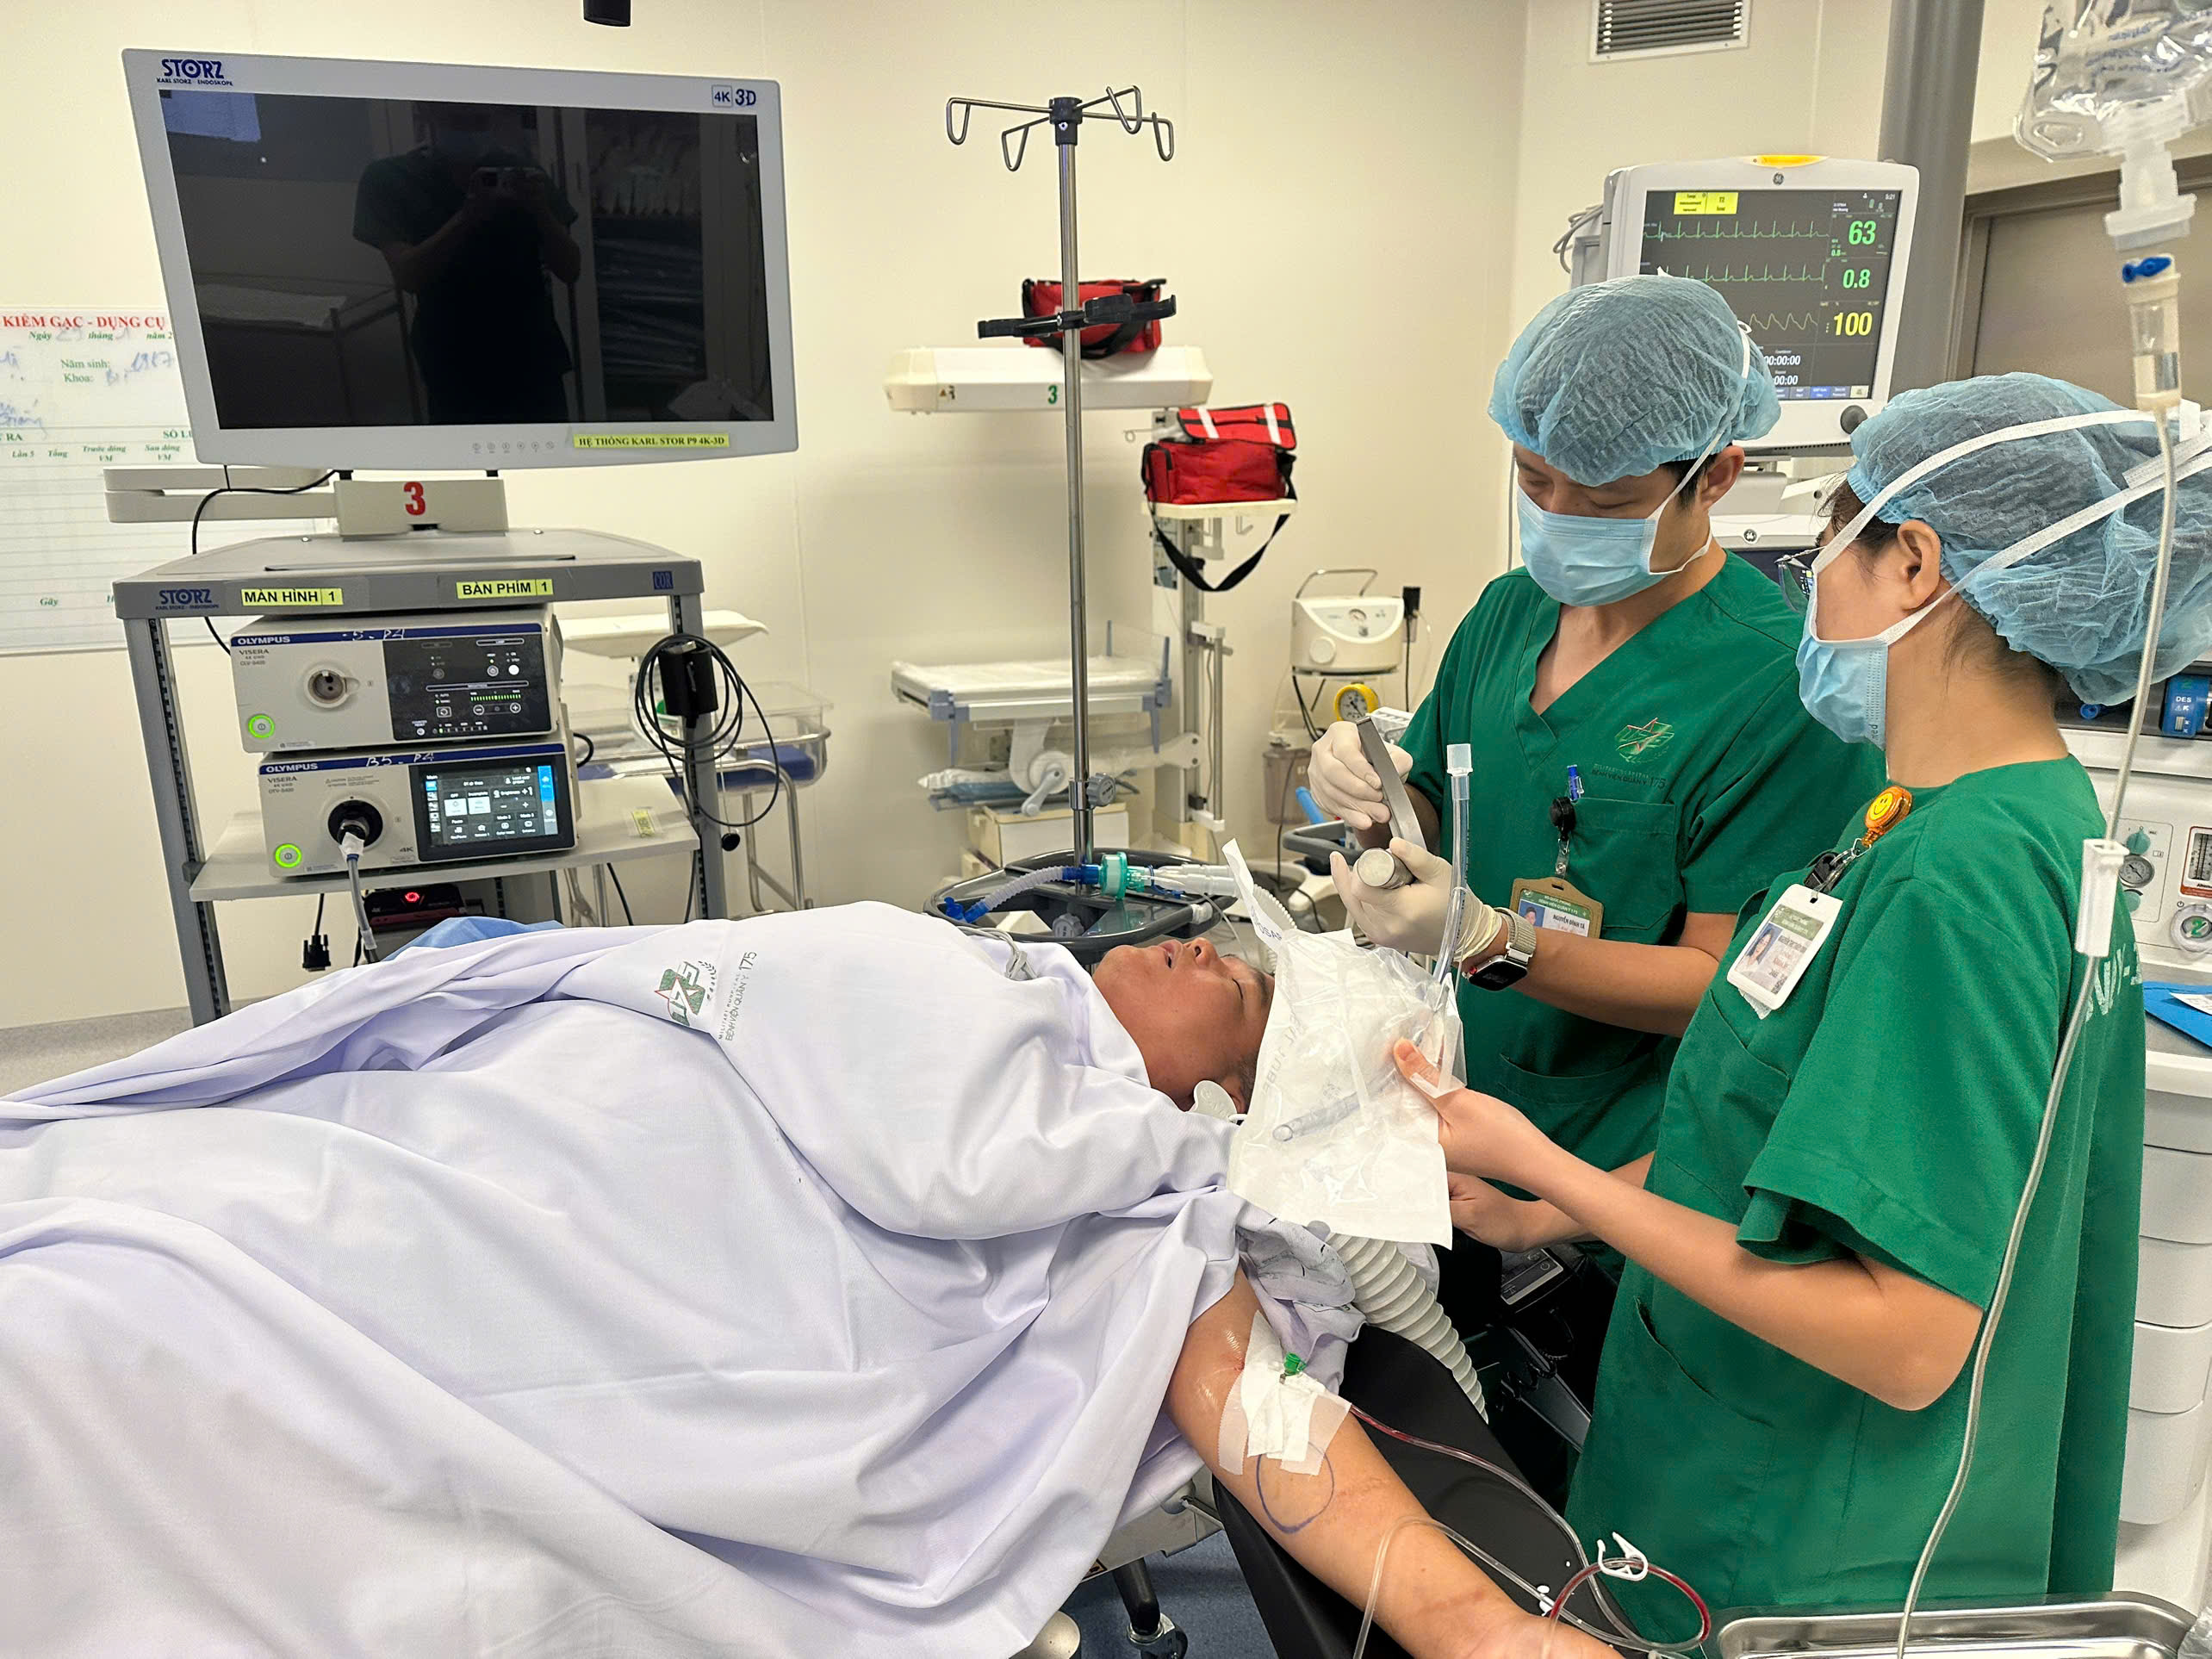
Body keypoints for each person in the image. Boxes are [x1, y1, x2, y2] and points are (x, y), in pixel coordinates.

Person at [0, 906, 1606, 1659]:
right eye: (1217, 936)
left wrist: (1478, 1628)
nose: (1200, 947)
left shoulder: (1150, 1190)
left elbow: (1269, 1423)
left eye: (1240, 995)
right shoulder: (978, 967)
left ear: (1238, 1106)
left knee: (116, 1340)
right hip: (521, 1125)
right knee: (164, 1198)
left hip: (569, 1252)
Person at [1398, 370, 2209, 1613]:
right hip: (1725, 1455)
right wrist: (1547, 1212)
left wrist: (1547, 1164)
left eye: (1832, 540)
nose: (1809, 582)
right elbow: (1762, 1136)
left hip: (1798, 1536)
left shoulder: (1963, 878)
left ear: (1915, 564)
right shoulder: (1944, 818)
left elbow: (1907, 1335)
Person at [1307, 274, 1886, 1394]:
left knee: (1596, 1441)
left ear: (1717, 474)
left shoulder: (1779, 691)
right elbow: (1438, 801)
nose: (1560, 514)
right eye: (1535, 479)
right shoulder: (1506, 612)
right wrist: (1373, 792)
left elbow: (1730, 987)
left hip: (1630, 1176)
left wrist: (1494, 940)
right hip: (1455, 1120)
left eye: (1607, 498)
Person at [353, 102, 583, 423]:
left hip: (531, 353)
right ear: (427, 112)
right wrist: (467, 216)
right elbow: (408, 276)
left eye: (480, 120)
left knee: (545, 451)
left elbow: (570, 269)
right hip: (453, 359)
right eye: (459, 120)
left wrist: (542, 212)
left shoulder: (518, 173)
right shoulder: (390, 179)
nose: (471, 131)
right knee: (467, 452)